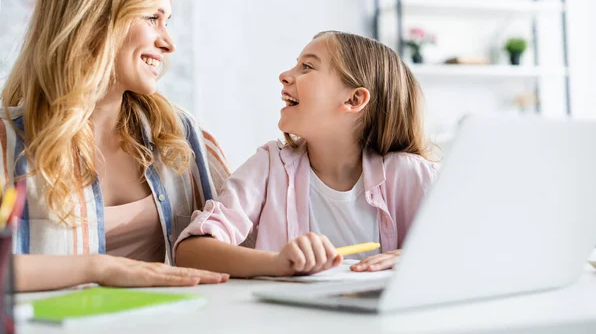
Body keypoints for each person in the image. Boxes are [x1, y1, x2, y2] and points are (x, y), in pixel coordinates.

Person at [0, 0, 230, 292]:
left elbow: (248, 242)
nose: (169, 43)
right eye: (152, 18)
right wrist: (97, 268)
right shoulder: (7, 144)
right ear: (94, 19)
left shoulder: (181, 136)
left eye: (167, 20)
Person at [176, 31, 438, 277]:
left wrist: (418, 257)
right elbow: (190, 252)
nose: (284, 75)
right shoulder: (269, 167)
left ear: (354, 100)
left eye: (307, 67)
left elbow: (471, 249)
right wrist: (276, 263)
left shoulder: (411, 175)